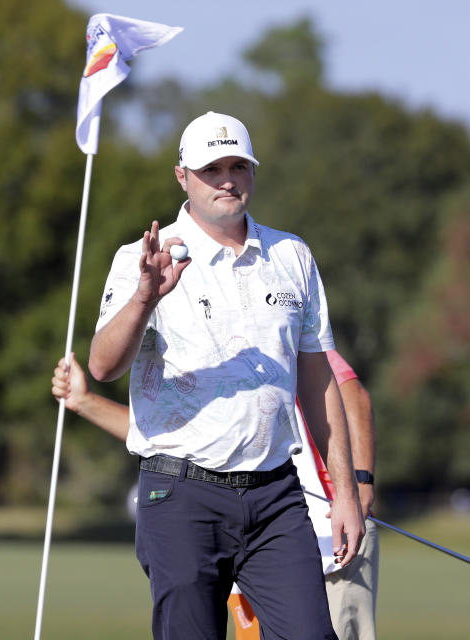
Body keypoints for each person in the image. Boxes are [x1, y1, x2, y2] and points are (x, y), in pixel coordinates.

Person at [85, 111, 364, 640]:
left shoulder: (293, 256)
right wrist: (146, 296)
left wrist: (344, 492)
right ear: (182, 176)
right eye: (212, 169)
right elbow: (103, 365)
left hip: (277, 496)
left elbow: (319, 380)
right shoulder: (142, 258)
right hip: (181, 491)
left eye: (239, 165)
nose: (228, 180)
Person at [51, 349, 380, 639]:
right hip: (239, 540)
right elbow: (161, 440)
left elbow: (347, 393)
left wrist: (357, 486)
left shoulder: (269, 323)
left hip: (327, 535)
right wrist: (84, 402)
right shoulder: (181, 360)